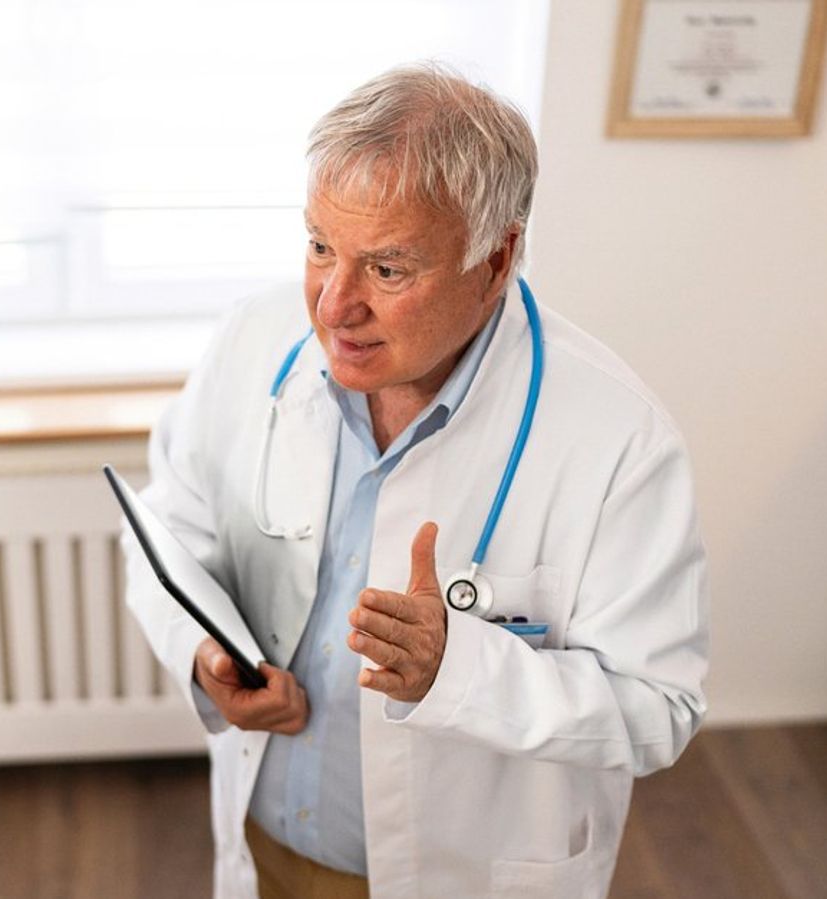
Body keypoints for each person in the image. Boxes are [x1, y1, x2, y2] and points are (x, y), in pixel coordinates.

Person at [125, 62, 709, 898]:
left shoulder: (619, 440)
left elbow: (659, 707)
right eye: (321, 245)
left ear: (497, 257)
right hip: (264, 845)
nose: (333, 303)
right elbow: (170, 527)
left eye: (389, 269)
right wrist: (204, 653)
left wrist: (460, 671)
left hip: (462, 876)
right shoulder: (255, 338)